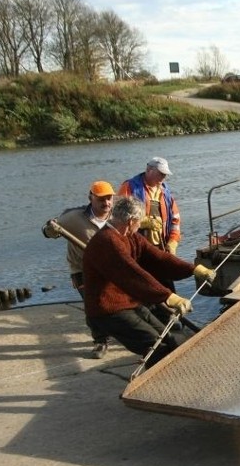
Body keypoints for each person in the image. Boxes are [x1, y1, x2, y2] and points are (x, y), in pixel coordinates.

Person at [83, 196, 216, 368]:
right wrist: (169, 297)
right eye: (140, 221)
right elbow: (132, 273)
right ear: (131, 221)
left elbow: (158, 257)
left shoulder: (130, 236)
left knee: (170, 339)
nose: (142, 224)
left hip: (128, 302)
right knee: (155, 346)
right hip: (107, 309)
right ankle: (156, 390)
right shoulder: (107, 241)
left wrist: (193, 269)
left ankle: (177, 378)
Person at [42, 180, 115, 359]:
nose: (106, 203)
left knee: (116, 303)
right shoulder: (73, 217)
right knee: (93, 306)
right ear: (91, 197)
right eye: (101, 199)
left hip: (111, 268)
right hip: (82, 270)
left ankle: (122, 332)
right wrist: (50, 229)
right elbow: (47, 231)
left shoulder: (117, 216)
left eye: (109, 199)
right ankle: (100, 341)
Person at [118, 157, 181, 255]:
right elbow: (119, 217)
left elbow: (175, 220)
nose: (164, 177)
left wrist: (173, 241)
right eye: (161, 173)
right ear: (148, 170)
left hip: (161, 247)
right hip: (136, 247)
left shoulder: (165, 192)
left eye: (165, 174)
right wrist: (145, 221)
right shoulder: (130, 186)